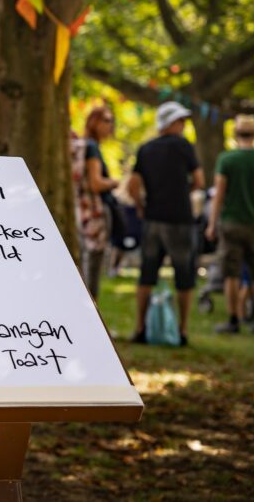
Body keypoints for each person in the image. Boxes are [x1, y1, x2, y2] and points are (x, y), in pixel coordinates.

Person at [127, 102, 204, 346]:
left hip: (152, 218)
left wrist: (141, 206)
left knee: (146, 275)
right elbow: (199, 180)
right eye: (181, 121)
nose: (183, 126)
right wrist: (184, 191)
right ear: (173, 123)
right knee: (184, 276)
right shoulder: (184, 147)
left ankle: (140, 328)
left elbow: (133, 184)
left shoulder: (145, 149)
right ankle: (181, 331)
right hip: (180, 219)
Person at [205, 115, 254, 335]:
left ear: (236, 134)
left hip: (231, 223)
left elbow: (219, 195)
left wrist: (211, 223)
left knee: (232, 274)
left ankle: (233, 319)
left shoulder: (226, 160)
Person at [78, 106, 120, 300]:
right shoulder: (91, 147)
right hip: (94, 211)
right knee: (93, 262)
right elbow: (96, 183)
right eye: (106, 120)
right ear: (94, 122)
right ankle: (91, 309)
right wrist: (114, 182)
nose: (110, 126)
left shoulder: (85, 145)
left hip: (84, 211)